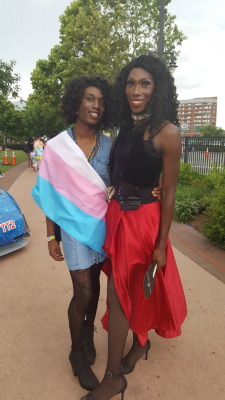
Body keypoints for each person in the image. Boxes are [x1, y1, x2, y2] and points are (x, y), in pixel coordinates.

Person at [32, 75, 162, 392]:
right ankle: (77, 353)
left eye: (102, 101)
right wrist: (51, 237)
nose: (96, 106)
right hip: (73, 232)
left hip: (104, 229)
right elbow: (50, 196)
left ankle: (87, 334)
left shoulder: (109, 144)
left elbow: (125, 176)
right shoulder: (57, 147)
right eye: (90, 99)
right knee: (84, 292)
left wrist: (153, 188)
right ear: (76, 102)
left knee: (94, 288)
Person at [81, 54, 187, 400]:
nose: (135, 90)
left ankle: (113, 378)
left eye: (144, 83)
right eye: (130, 82)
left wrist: (161, 243)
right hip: (119, 219)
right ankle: (141, 343)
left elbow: (169, 192)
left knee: (119, 296)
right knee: (128, 290)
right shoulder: (126, 127)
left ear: (157, 88)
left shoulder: (168, 132)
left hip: (143, 224)